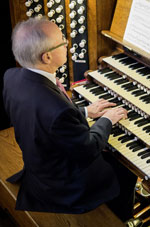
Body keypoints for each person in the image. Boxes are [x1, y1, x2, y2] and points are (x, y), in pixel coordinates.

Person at [3, 16, 136, 221]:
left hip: (41, 163)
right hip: (64, 188)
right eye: (62, 41)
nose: (67, 43)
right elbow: (89, 148)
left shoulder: (12, 77)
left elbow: (46, 115)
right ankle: (123, 218)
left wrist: (85, 112)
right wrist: (107, 119)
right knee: (126, 170)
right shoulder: (57, 111)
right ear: (47, 57)